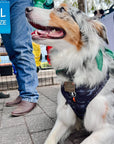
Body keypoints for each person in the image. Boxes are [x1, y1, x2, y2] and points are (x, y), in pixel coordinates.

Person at [1, 0, 39, 116]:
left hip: (19, 1)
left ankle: (29, 95)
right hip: (2, 4)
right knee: (11, 48)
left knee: (21, 45)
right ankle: (23, 92)